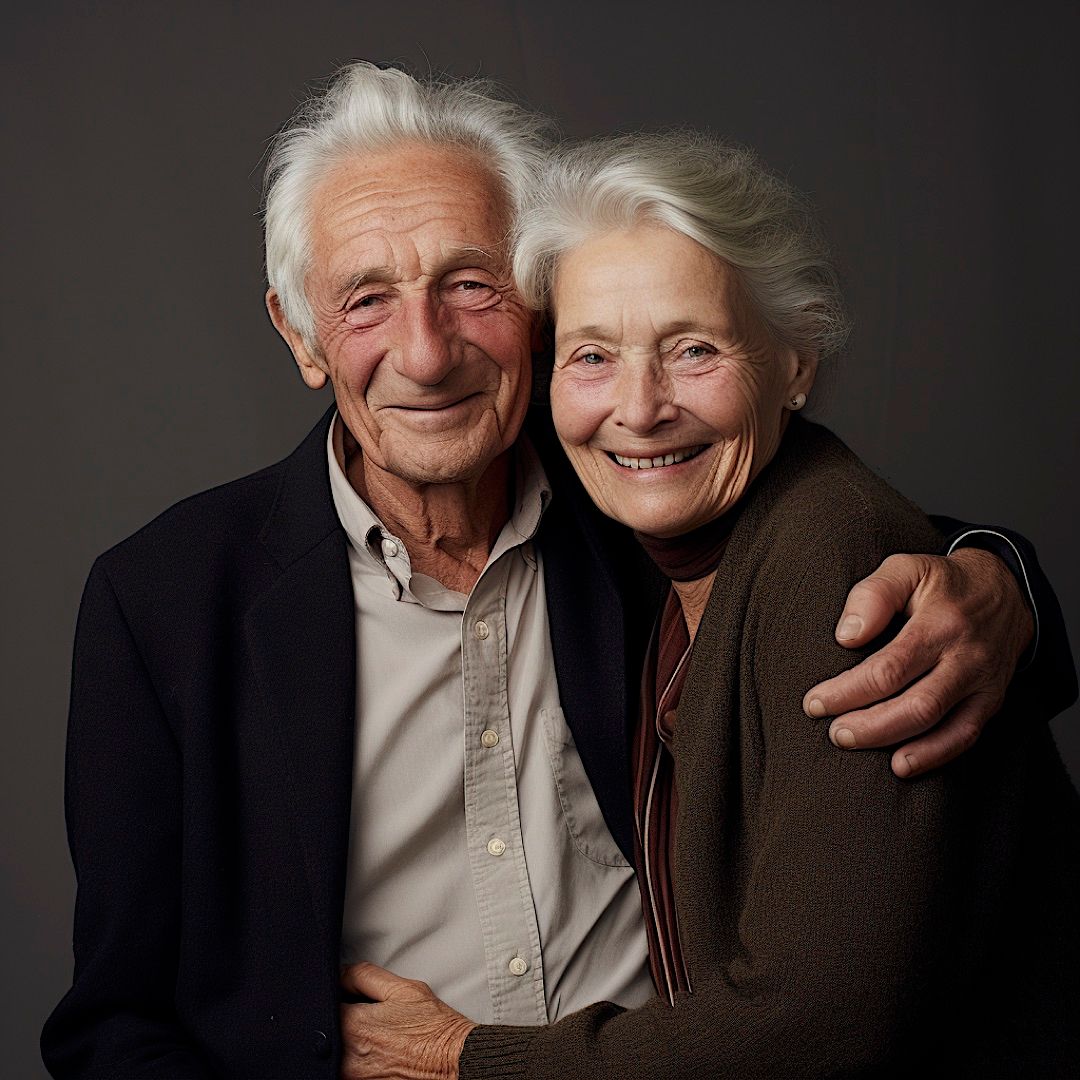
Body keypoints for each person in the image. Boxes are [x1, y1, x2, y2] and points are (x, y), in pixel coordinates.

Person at [40, 67, 1074, 1079]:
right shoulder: (165, 606)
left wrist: (1001, 580)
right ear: (299, 334)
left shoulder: (628, 483)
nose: (428, 352)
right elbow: (119, 1026)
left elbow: (829, 538)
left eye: (471, 284)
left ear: (535, 303)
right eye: (365, 300)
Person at [344, 133, 1080, 1077]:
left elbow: (813, 1030)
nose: (640, 408)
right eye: (593, 356)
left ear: (795, 362)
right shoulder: (645, 532)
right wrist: (999, 561)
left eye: (694, 350)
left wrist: (465, 1059)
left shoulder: (835, 566)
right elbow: (418, 396)